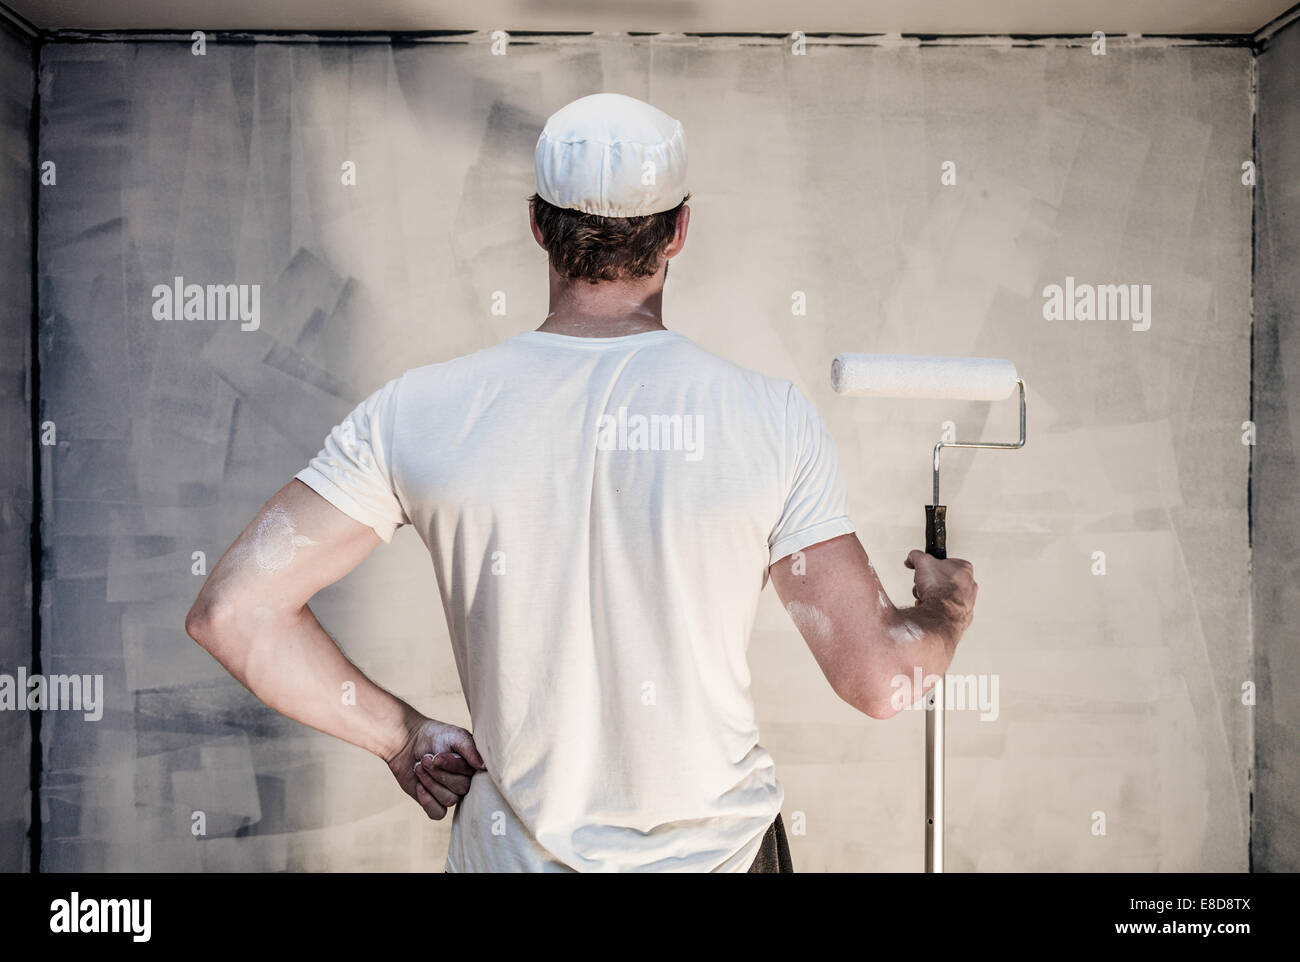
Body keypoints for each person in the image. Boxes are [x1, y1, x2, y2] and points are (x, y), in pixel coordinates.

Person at [185, 92, 977, 872]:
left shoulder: (420, 411)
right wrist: (944, 609)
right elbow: (880, 682)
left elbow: (233, 613)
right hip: (723, 859)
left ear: (537, 226)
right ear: (678, 231)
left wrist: (399, 736)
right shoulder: (767, 417)